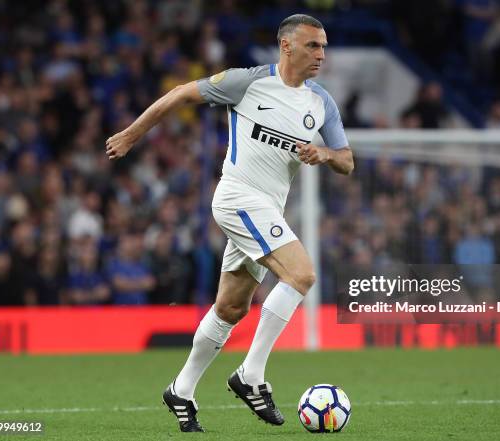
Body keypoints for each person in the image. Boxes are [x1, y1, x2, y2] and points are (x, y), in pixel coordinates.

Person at [106, 14, 353, 432]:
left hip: (268, 210)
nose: (321, 55)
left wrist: (325, 154)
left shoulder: (321, 102)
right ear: (286, 46)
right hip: (238, 196)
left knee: (231, 307)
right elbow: (182, 94)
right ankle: (251, 375)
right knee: (303, 274)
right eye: (313, 46)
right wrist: (132, 134)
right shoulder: (247, 82)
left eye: (324, 47)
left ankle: (181, 389)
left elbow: (347, 160)